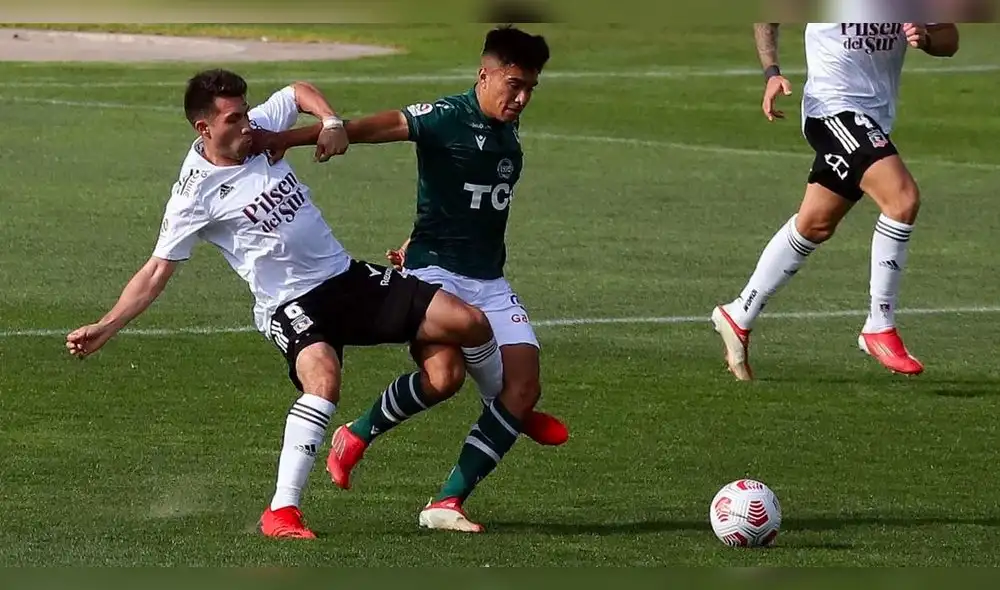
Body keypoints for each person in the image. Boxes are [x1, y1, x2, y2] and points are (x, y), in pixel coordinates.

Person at [65, 68, 500, 539]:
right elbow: (155, 272)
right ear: (204, 128)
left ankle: (500, 408)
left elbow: (298, 91)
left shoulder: (257, 129)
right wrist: (106, 325)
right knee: (323, 380)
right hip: (291, 303)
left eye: (245, 113)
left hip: (345, 277)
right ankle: (282, 511)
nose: (247, 126)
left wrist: (330, 120)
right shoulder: (194, 195)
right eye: (233, 120)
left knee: (470, 323)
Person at [255, 25, 564, 533]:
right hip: (435, 272)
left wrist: (411, 234)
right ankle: (362, 432)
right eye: (514, 85)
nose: (522, 98)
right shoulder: (447, 115)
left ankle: (446, 502)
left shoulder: (507, 130)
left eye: (530, 88)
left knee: (525, 386)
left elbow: (466, 206)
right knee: (446, 378)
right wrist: (293, 137)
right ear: (484, 76)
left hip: (488, 279)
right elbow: (374, 127)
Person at [711, 22, 959, 381]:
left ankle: (739, 313)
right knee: (902, 198)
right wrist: (772, 72)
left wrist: (928, 38)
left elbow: (950, 38)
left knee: (815, 224)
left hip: (874, 119)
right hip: (832, 109)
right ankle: (879, 324)